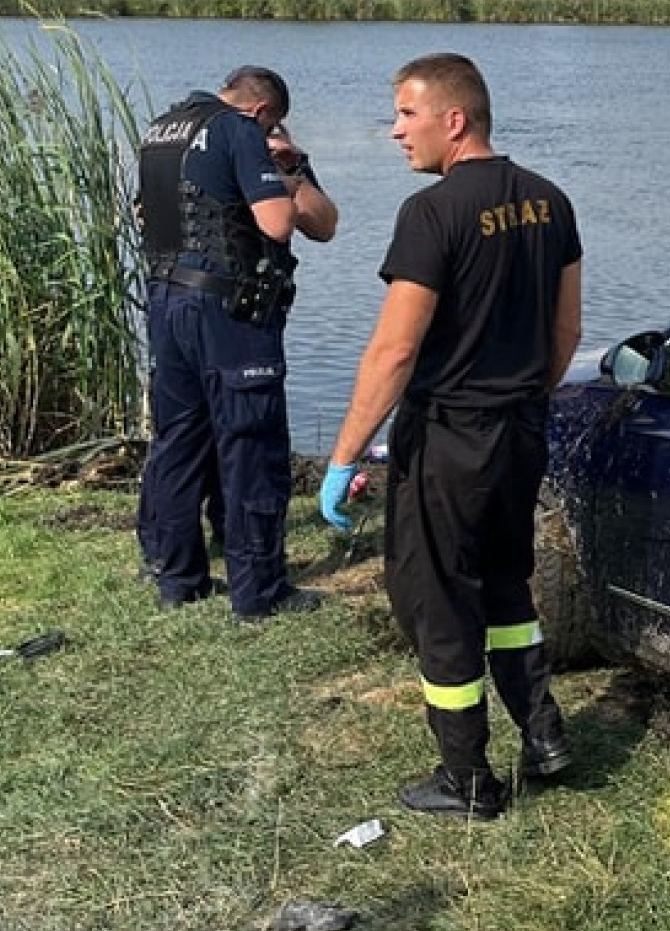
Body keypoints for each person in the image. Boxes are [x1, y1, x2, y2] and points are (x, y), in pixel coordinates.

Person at [318, 53, 583, 820]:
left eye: (407, 114)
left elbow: (395, 351)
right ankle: (544, 736)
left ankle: (468, 781)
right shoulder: (551, 200)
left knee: (439, 602)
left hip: (449, 436)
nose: (396, 131)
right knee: (505, 582)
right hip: (521, 431)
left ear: (454, 120)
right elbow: (567, 329)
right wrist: (524, 398)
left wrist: (341, 460)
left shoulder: (432, 214)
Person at [136, 65, 338, 620]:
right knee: (251, 444)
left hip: (166, 298)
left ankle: (177, 578)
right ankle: (259, 590)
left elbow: (142, 213)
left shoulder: (162, 128)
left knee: (179, 440)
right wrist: (286, 179)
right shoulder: (238, 130)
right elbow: (276, 225)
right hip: (227, 310)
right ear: (263, 113)